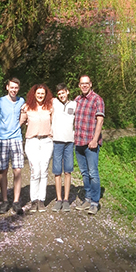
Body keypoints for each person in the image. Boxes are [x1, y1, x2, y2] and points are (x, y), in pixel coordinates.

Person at [0, 78, 25, 214]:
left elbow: (26, 114)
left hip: (16, 139)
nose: (14, 90)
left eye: (16, 88)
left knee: (17, 170)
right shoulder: (0, 102)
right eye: (12, 87)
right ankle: (5, 201)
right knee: (3, 171)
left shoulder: (21, 101)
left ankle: (16, 202)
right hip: (3, 140)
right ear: (7, 87)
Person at [73, 74, 105, 215]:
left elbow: (100, 121)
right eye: (82, 83)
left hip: (91, 143)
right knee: (84, 173)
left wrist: (95, 139)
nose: (84, 85)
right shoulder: (77, 100)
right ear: (79, 85)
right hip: (79, 142)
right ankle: (87, 197)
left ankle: (94, 202)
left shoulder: (97, 99)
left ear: (90, 84)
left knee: (93, 173)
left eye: (86, 83)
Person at [21, 84, 54, 212]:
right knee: (35, 171)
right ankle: (33, 200)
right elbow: (19, 122)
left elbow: (55, 122)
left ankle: (41, 200)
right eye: (38, 93)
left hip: (46, 141)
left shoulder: (50, 108)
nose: (40, 95)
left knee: (44, 170)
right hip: (32, 142)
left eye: (42, 93)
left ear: (45, 95)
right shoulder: (27, 107)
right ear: (34, 94)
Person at [51, 83, 77, 212]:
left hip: (69, 142)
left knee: (68, 171)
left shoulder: (74, 104)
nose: (61, 95)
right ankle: (59, 199)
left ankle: (66, 199)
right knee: (57, 171)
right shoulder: (54, 103)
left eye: (63, 92)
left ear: (67, 92)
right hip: (57, 141)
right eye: (59, 93)